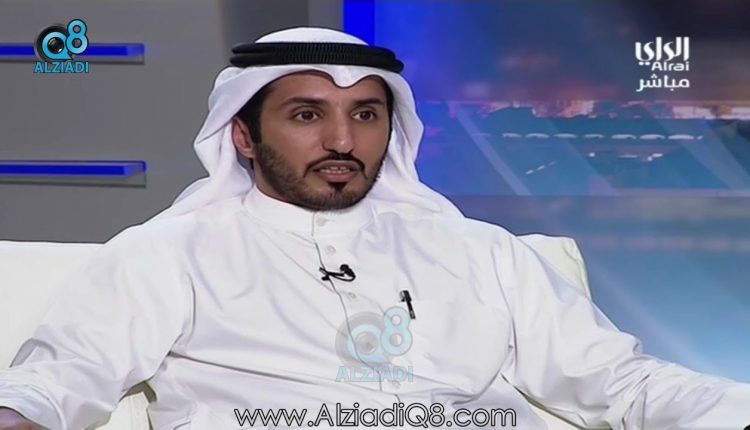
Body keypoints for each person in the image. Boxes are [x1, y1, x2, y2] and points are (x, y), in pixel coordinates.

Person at [1, 26, 749, 430]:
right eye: (306, 115)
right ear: (243, 135)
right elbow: (56, 381)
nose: (342, 140)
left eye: (366, 114)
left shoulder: (480, 251)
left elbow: (618, 383)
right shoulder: (170, 253)